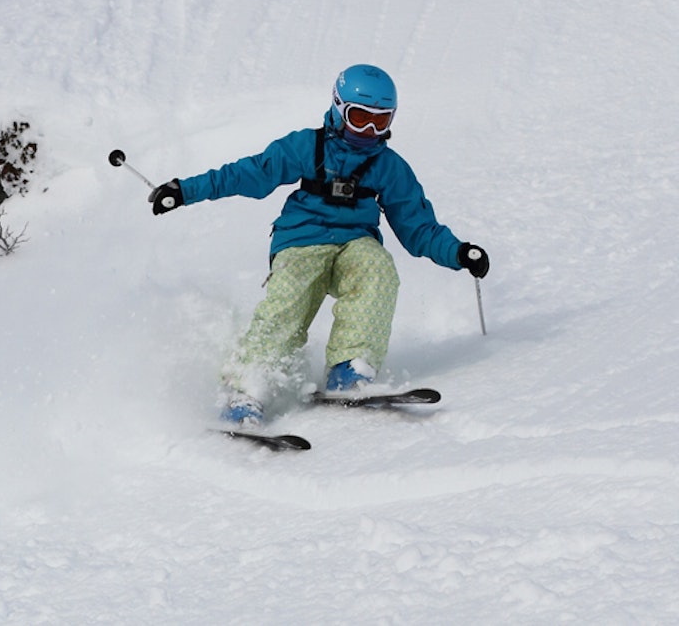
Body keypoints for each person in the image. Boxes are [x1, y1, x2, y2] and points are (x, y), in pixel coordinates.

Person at [148, 64, 489, 428]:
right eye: (360, 118)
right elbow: (249, 173)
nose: (370, 131)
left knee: (378, 269)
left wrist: (457, 252)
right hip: (301, 240)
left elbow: (418, 227)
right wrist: (184, 190)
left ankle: (350, 369)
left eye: (381, 120)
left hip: (354, 244)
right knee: (289, 296)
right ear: (339, 110)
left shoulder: (389, 167)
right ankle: (245, 389)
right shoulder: (306, 147)